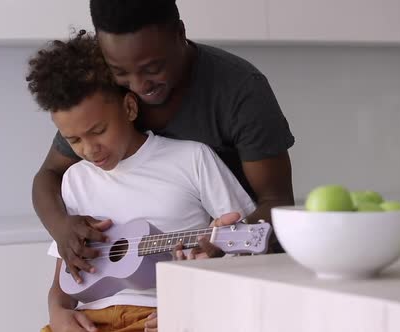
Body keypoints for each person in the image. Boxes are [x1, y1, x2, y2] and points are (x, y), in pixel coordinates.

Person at [32, 0, 295, 285]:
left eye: (152, 68)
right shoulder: (104, 82)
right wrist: (61, 228)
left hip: (238, 270)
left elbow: (276, 202)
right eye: (121, 73)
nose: (138, 85)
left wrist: (226, 247)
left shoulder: (239, 89)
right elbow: (49, 174)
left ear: (179, 34)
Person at [27, 31, 256, 332]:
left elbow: (247, 245)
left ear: (129, 108)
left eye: (98, 131)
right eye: (74, 140)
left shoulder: (192, 159)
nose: (88, 149)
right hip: (90, 319)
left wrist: (196, 305)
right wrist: (57, 313)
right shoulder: (74, 180)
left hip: (160, 314)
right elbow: (65, 279)